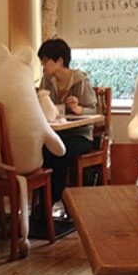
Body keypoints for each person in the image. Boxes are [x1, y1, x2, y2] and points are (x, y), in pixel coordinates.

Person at [38, 38, 97, 218]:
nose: (43, 65)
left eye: (46, 60)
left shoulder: (80, 80)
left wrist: (78, 109)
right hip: (57, 132)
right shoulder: (47, 81)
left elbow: (93, 110)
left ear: (60, 60)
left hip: (80, 135)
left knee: (59, 151)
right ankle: (45, 201)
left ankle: (54, 198)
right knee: (44, 150)